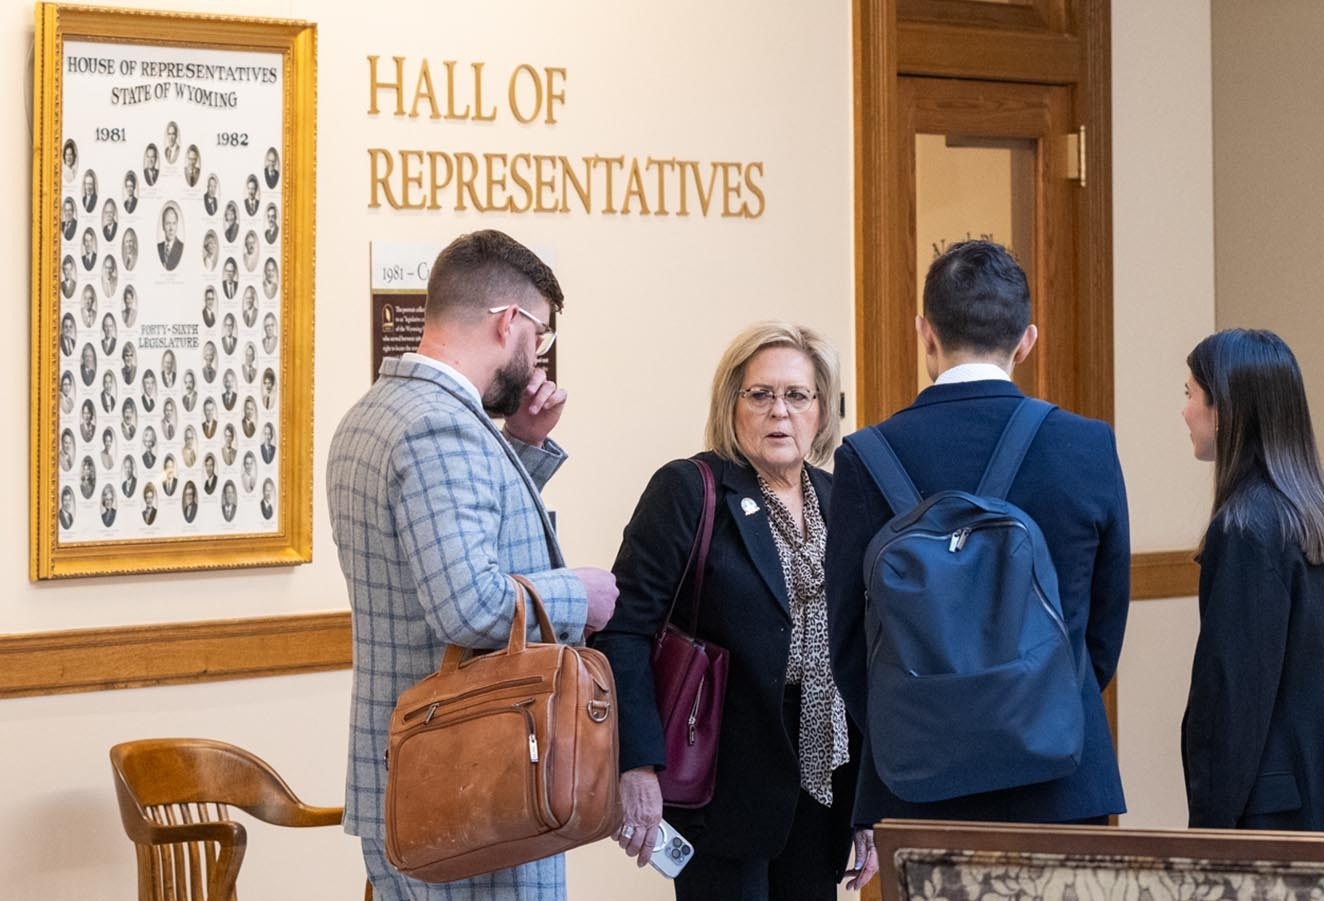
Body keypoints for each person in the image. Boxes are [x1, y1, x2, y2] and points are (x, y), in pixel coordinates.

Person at [326, 228, 617, 901]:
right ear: (508, 322)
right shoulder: (440, 426)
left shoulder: (374, 413)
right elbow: (469, 604)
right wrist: (581, 594)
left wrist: (524, 446)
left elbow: (444, 542)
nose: (538, 355)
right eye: (538, 335)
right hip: (475, 781)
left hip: (414, 779)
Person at [826, 240, 1131, 829]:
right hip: (1058, 777)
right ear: (1027, 340)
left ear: (925, 335)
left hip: (917, 784)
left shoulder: (866, 458)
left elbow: (848, 643)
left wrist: (926, 722)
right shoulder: (1088, 445)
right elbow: (1103, 628)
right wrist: (1041, 702)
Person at [593, 322, 871, 900]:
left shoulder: (842, 498)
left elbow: (867, 652)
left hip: (825, 784)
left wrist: (873, 798)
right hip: (720, 781)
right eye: (761, 394)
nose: (780, 413)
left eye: (797, 396)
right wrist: (637, 765)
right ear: (732, 404)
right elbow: (624, 631)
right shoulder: (690, 490)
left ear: (821, 410)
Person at [1179, 328, 1324, 832]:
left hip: (1278, 802)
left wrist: (1208, 827)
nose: (1185, 412)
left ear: (1225, 407)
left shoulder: (1245, 526)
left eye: (1191, 395)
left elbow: (1232, 696)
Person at [158, 204, 184, 270]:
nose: (171, 228)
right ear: (163, 226)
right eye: (168, 223)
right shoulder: (158, 248)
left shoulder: (182, 248)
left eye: (174, 223)